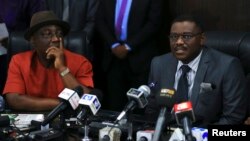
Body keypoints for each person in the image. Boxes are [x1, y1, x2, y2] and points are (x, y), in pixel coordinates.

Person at [145, 15, 247, 127]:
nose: (178, 42)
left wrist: (200, 136)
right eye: (174, 36)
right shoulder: (159, 64)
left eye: (187, 36)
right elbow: (152, 110)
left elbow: (233, 118)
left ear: (202, 39)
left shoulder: (227, 66)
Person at [2, 11, 94, 111]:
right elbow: (14, 100)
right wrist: (63, 104)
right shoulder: (19, 61)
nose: (55, 39)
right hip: (30, 121)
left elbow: (85, 100)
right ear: (33, 40)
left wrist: (62, 68)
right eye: (47, 34)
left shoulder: (80, 62)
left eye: (59, 34)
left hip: (68, 121)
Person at [96, 0, 163, 111]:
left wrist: (128, 46)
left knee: (139, 106)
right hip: (113, 57)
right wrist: (113, 44)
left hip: (140, 57)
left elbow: (154, 23)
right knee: (115, 104)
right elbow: (100, 20)